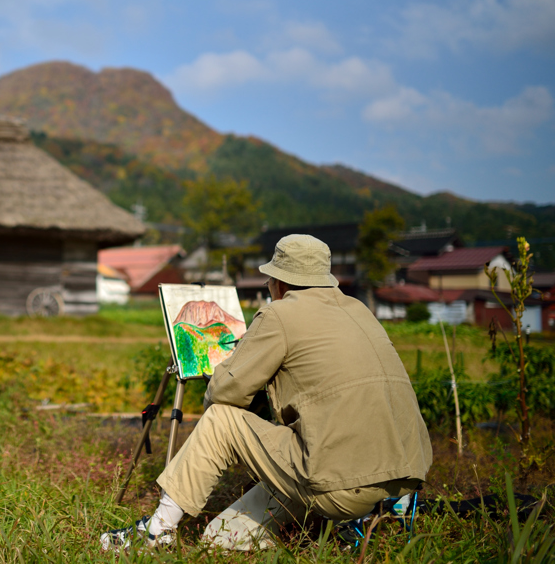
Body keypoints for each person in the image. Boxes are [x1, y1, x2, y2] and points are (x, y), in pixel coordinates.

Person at [101, 234, 432, 551]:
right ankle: (352, 523)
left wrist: (231, 365)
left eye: (270, 280)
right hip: (401, 479)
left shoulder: (280, 313)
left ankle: (157, 532)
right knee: (221, 539)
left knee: (221, 419)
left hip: (337, 484)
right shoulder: (360, 310)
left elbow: (224, 392)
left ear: (282, 283)